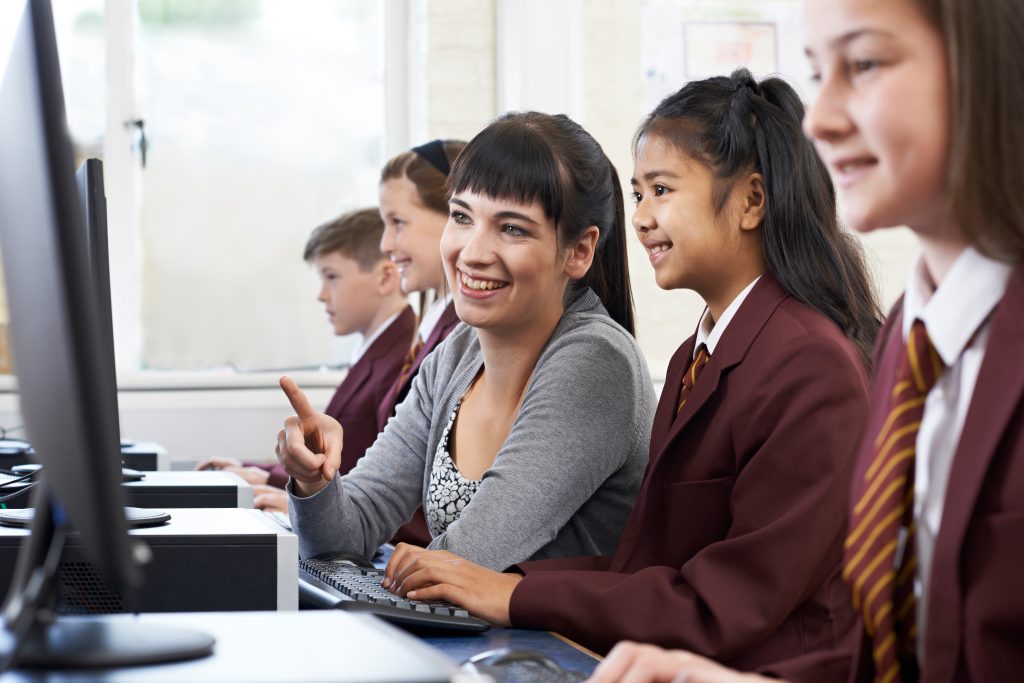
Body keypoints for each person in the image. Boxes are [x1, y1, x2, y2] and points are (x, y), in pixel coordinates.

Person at [382, 69, 883, 670]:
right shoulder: (696, 356)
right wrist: (499, 583)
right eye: (639, 193)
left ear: (751, 200)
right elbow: (646, 566)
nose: (641, 217)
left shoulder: (808, 364)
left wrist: (517, 592)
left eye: (663, 191)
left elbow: (731, 602)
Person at [586, 0, 1024, 680]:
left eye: (866, 63)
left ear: (986, 70)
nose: (819, 120)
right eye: (821, 74)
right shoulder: (915, 337)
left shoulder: (827, 355)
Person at [276, 112, 656, 571]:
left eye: (512, 228)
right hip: (471, 640)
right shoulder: (456, 354)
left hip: (561, 644)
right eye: (461, 217)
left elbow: (467, 562)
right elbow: (345, 536)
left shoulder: (597, 362)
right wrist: (314, 482)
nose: (472, 253)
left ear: (578, 251)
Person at [196, 209, 415, 513]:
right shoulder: (375, 351)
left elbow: (363, 475)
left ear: (386, 277)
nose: (321, 295)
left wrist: (271, 481)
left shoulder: (402, 360)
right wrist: (261, 472)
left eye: (332, 277)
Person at [376, 139, 466, 546]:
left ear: (453, 217)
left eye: (398, 222)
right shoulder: (434, 329)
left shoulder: (464, 337)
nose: (385, 245)